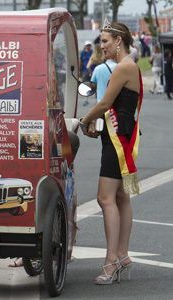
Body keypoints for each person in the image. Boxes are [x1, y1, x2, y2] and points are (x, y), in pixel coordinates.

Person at [79, 19, 143, 285]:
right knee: (120, 196)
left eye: (105, 40)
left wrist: (83, 120)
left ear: (119, 41)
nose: (101, 45)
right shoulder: (132, 67)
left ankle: (111, 262)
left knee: (105, 199)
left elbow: (105, 102)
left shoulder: (123, 67)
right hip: (123, 136)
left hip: (117, 140)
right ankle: (122, 255)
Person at [80, 41, 93, 106]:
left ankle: (96, 100)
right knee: (85, 85)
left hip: (92, 70)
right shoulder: (83, 52)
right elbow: (80, 60)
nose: (88, 46)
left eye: (89, 45)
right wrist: (79, 70)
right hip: (85, 70)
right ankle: (86, 99)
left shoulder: (92, 52)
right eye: (87, 45)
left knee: (93, 84)